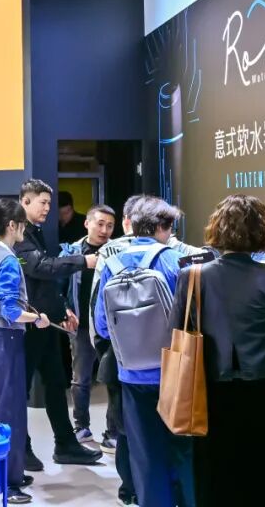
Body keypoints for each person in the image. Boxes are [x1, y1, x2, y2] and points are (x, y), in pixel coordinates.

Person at [171, 195, 265, 507]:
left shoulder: (193, 276)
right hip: (262, 389)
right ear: (263, 231)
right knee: (261, 475)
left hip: (207, 391)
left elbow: (177, 330)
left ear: (216, 228)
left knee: (213, 476)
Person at [95, 196, 193, 507]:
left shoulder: (112, 264)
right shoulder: (175, 261)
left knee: (145, 454)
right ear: (162, 227)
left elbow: (101, 326)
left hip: (131, 374)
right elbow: (190, 320)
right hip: (174, 373)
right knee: (182, 450)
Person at [17, 179, 102, 470]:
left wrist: (62, 308)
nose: (47, 209)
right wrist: (83, 261)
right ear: (25, 201)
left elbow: (45, 278)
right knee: (20, 390)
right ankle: (21, 449)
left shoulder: (37, 232)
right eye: (42, 203)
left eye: (49, 204)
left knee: (55, 383)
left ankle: (65, 444)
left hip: (46, 322)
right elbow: (39, 267)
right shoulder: (18, 234)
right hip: (28, 325)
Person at [0, 198, 50, 504]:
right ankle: (7, 481)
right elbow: (10, 310)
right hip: (5, 340)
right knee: (9, 413)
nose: (24, 230)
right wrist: (38, 318)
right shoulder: (6, 260)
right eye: (22, 225)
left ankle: (9, 473)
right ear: (12, 226)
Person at [66, 205, 116, 445]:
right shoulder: (73, 251)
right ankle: (81, 427)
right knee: (81, 379)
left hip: (110, 328)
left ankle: (113, 432)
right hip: (82, 327)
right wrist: (65, 309)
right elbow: (62, 286)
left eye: (110, 226)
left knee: (113, 380)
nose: (104, 230)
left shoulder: (117, 251)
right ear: (87, 223)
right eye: (100, 224)